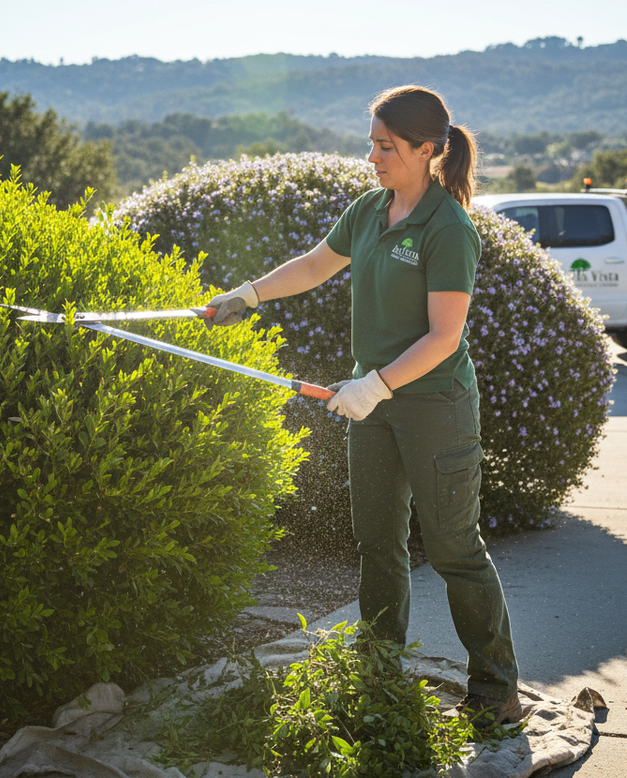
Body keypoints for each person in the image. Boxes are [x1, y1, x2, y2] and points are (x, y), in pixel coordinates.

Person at [207, 85, 522, 725]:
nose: (372, 156)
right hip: (372, 404)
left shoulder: (448, 228)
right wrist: (248, 295)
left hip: (433, 404)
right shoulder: (369, 209)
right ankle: (380, 671)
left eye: (386, 146)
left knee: (454, 547)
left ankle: (496, 691)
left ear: (427, 150)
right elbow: (315, 265)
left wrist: (374, 385)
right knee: (378, 543)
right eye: (371, 143)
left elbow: (444, 337)